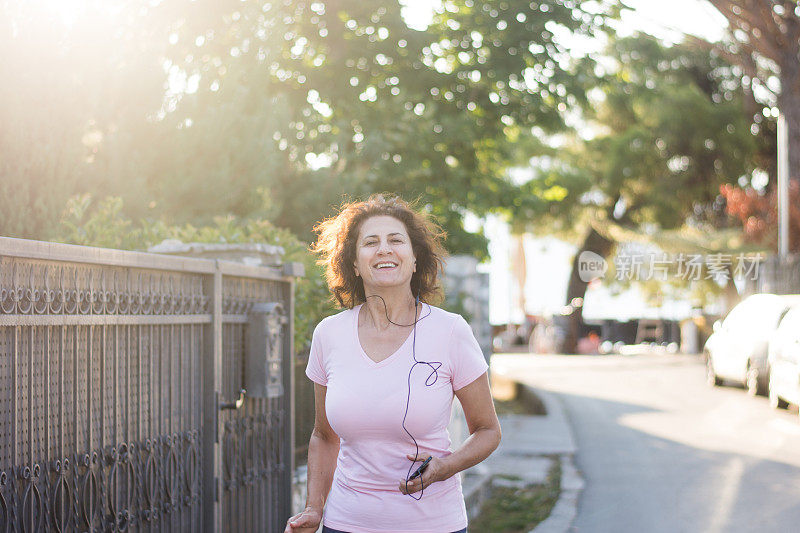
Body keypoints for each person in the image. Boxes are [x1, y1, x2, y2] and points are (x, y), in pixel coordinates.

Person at [285, 194, 502, 533]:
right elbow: (324, 436)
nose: (383, 249)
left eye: (395, 240)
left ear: (415, 260)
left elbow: (488, 431)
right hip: (346, 523)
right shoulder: (329, 334)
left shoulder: (450, 331)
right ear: (355, 264)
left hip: (433, 524)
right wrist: (314, 507)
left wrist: (446, 467)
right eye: (370, 242)